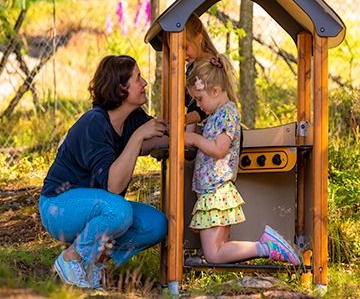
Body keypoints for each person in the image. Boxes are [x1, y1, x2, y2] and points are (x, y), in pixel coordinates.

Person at [39, 55, 168, 289]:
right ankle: (70, 259)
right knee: (119, 209)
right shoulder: (94, 124)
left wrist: (200, 117)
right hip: (59, 207)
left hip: (98, 208)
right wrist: (138, 137)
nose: (144, 83)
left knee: (155, 224)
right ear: (121, 88)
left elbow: (164, 136)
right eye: (138, 78)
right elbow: (114, 186)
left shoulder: (132, 118)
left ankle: (93, 264)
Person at [184, 54, 300, 265]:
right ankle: (264, 247)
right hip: (211, 191)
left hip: (216, 192)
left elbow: (220, 149)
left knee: (214, 253)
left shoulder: (227, 113)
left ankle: (266, 247)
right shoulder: (216, 114)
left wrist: (193, 138)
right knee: (215, 252)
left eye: (199, 99)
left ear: (216, 90)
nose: (198, 105)